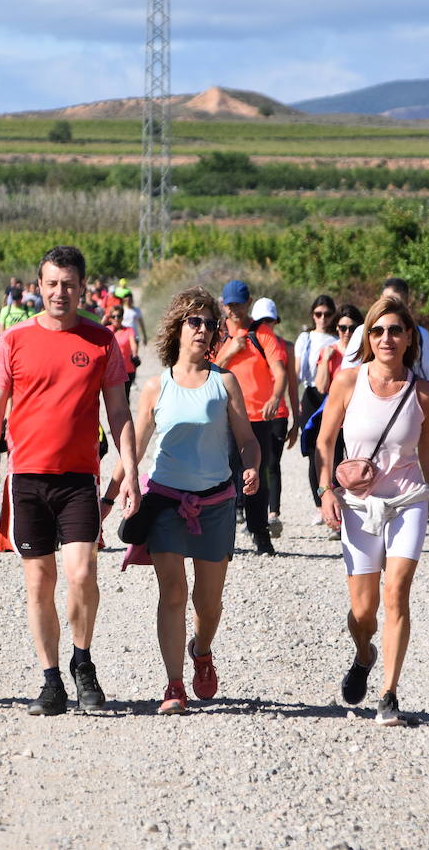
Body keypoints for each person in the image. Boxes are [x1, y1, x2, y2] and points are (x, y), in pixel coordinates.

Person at [0, 245, 141, 716]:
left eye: (68, 284)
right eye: (51, 283)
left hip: (77, 480)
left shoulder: (101, 341)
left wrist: (127, 473)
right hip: (26, 479)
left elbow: (120, 411)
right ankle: (51, 681)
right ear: (39, 286)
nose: (59, 292)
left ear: (82, 288)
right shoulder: (13, 340)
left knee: (83, 573)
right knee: (39, 581)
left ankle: (82, 662)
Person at [104, 287, 260, 713]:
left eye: (211, 323)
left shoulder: (224, 383)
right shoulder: (157, 386)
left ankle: (202, 650)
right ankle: (174, 685)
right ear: (178, 326)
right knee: (173, 592)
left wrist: (252, 466)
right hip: (167, 502)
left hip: (216, 504)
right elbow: (132, 447)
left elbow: (247, 441)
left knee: (207, 604)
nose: (203, 329)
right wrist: (110, 496)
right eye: (195, 321)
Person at [314, 295, 429, 726]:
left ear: (410, 338)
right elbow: (323, 440)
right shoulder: (348, 381)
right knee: (363, 612)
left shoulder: (423, 393)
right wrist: (326, 489)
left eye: (395, 330)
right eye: (377, 330)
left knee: (397, 592)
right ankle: (363, 654)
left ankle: (389, 693)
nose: (386, 338)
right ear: (366, 337)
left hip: (408, 500)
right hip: (358, 505)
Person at [213, 280, 287, 555]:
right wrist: (230, 351)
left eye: (239, 304)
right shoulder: (218, 335)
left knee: (257, 477)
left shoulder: (262, 332)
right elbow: (207, 371)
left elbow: (279, 371)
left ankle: (260, 533)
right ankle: (224, 536)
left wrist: (275, 398)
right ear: (223, 304)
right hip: (226, 417)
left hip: (258, 417)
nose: (234, 310)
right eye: (229, 304)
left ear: (248, 302)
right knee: (227, 477)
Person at [307, 303, 362, 520]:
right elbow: (321, 386)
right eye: (341, 328)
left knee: (357, 464)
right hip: (336, 415)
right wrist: (327, 360)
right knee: (332, 462)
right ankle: (330, 509)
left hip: (359, 417)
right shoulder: (329, 350)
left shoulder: (366, 354)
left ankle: (353, 509)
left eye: (351, 328)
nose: (346, 333)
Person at [251, 297, 300, 535]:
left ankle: (273, 514)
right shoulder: (249, 342)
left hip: (279, 415)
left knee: (272, 464)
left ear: (276, 320)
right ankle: (246, 509)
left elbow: (292, 385)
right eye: (262, 320)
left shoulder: (286, 346)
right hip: (254, 413)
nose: (266, 324)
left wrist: (297, 422)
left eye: (270, 320)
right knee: (251, 464)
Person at [106, 305, 140, 398]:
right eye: (113, 316)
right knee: (114, 399)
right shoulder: (107, 330)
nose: (116, 318)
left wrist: (135, 354)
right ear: (110, 318)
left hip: (127, 369)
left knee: (125, 397)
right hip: (112, 370)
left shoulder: (129, 330)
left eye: (119, 316)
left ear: (122, 317)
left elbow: (133, 344)